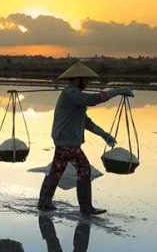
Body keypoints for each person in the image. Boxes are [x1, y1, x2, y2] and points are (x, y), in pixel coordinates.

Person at [37, 61, 134, 215]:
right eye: (86, 80)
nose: (88, 83)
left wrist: (104, 134)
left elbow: (85, 122)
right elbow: (91, 100)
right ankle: (85, 207)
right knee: (84, 169)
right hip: (67, 142)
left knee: (56, 171)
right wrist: (116, 91)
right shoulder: (71, 93)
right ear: (78, 79)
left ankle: (44, 203)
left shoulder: (75, 95)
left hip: (66, 141)